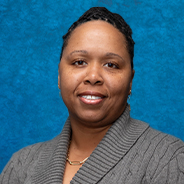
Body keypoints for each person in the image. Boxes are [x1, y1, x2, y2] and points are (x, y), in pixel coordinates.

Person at [1, 7, 184, 184]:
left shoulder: (169, 159)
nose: (93, 77)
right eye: (79, 62)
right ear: (59, 76)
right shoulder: (21, 165)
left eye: (111, 65)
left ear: (130, 81)